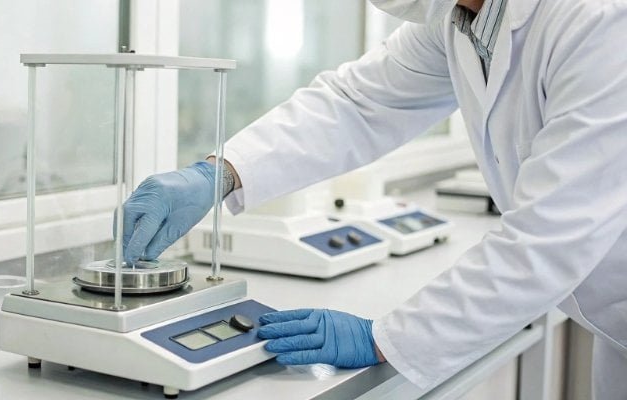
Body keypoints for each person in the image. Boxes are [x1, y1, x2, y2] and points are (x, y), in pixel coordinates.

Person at [120, 0, 627, 396]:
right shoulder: (460, 21)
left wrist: (387, 337)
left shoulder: (601, 20)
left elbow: (549, 238)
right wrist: (221, 171)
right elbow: (356, 103)